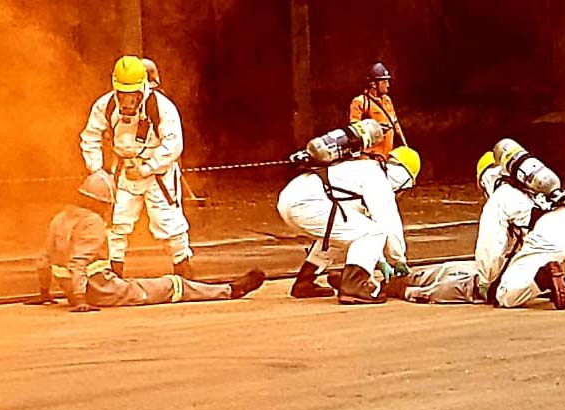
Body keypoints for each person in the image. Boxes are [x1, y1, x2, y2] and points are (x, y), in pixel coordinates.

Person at [31, 171, 265, 311]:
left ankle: (222, 288)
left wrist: (45, 293)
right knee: (171, 285)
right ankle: (229, 290)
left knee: (143, 284)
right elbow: (79, 262)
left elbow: (43, 259)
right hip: (102, 291)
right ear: (101, 202)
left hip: (78, 290)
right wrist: (81, 300)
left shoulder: (60, 217)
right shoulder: (92, 222)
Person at [80, 55, 193, 278]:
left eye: (132, 94)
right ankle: (113, 273)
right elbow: (90, 136)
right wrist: (98, 172)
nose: (127, 100)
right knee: (116, 222)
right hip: (121, 172)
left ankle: (184, 271)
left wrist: (147, 168)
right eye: (123, 93)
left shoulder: (162, 107)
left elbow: (173, 144)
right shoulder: (105, 106)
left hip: (157, 174)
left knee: (169, 221)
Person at [276, 145, 421, 304]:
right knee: (373, 233)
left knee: (345, 233)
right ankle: (354, 288)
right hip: (306, 203)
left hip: (290, 199)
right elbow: (388, 224)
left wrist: (382, 261)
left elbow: (359, 229)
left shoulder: (362, 169)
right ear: (404, 179)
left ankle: (305, 282)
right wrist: (398, 260)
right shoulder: (378, 178)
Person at [474, 150, 565, 309]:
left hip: (550, 241)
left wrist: (486, 282)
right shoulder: (538, 185)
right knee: (551, 251)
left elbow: (490, 245)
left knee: (504, 294)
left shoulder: (500, 197)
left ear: (484, 181)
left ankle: (546, 278)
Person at [349, 62, 406, 159]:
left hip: (387, 155)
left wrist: (405, 146)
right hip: (370, 157)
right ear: (373, 84)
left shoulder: (387, 101)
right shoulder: (360, 102)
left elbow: (396, 125)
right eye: (384, 82)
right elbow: (355, 131)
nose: (388, 85)